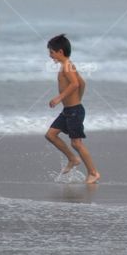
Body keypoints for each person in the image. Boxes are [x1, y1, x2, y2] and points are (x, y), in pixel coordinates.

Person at [45, 34, 100, 184]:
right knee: (50, 135)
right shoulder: (67, 66)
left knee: (77, 143)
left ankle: (93, 173)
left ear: (60, 52)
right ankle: (72, 158)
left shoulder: (67, 66)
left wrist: (59, 98)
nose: (50, 55)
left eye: (51, 52)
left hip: (74, 111)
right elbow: (82, 83)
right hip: (69, 110)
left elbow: (75, 84)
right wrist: (77, 99)